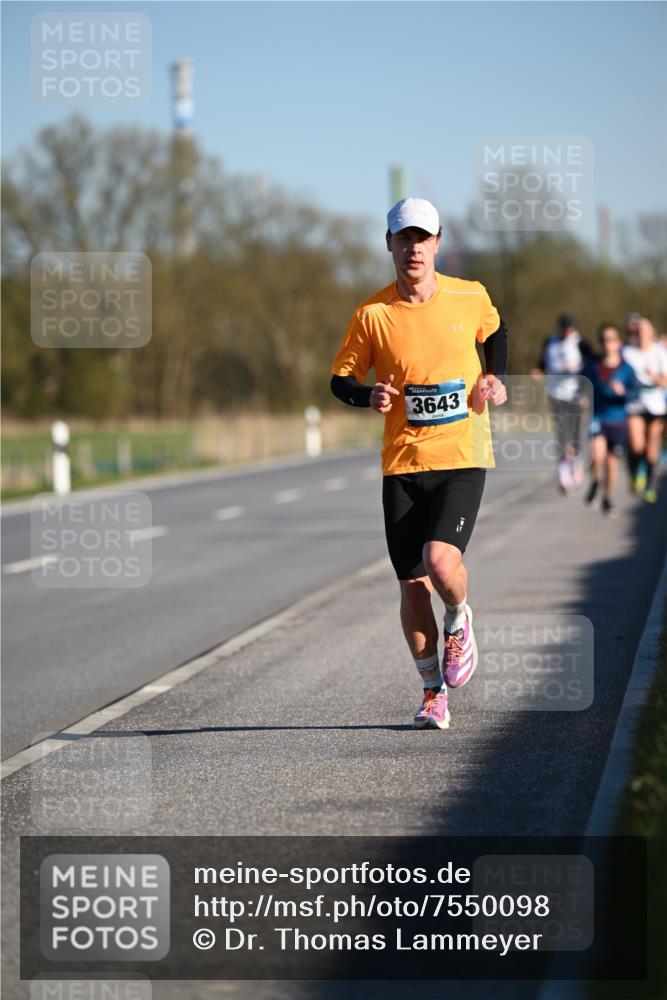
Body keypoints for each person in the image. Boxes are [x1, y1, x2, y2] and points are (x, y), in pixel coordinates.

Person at [330, 197, 508, 730]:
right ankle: (433, 692)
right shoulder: (373, 314)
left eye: (422, 237)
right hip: (402, 464)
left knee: (440, 563)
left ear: (437, 243)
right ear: (389, 244)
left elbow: (495, 332)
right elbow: (340, 379)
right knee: (411, 587)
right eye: (403, 237)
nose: (413, 247)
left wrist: (493, 377)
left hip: (461, 455)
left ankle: (458, 618)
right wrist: (370, 399)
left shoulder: (468, 296)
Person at [583, 323, 638, 516]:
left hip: (618, 420)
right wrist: (583, 397)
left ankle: (607, 497)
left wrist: (624, 392)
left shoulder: (627, 369)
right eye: (605, 340)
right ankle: (596, 481)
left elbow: (636, 393)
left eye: (612, 339)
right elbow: (582, 386)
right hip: (598, 417)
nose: (608, 344)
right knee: (597, 456)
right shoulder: (592, 368)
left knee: (612, 464)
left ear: (618, 342)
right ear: (601, 343)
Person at [536, 314, 593, 494]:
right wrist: (537, 371)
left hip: (576, 395)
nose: (567, 331)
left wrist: (585, 394)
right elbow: (543, 363)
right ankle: (563, 472)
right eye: (564, 327)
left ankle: (576, 463)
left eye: (570, 327)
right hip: (556, 394)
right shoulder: (550, 342)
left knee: (575, 432)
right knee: (561, 433)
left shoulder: (581, 343)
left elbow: (591, 369)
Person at [622, 316, 667, 502]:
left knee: (651, 450)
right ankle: (635, 473)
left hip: (656, 405)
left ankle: (649, 484)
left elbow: (665, 381)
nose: (641, 332)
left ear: (651, 331)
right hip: (635, 403)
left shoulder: (659, 352)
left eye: (645, 329)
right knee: (636, 444)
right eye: (638, 329)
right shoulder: (627, 352)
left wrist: (653, 378)